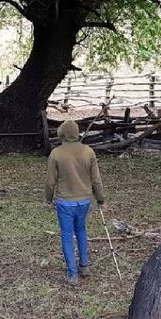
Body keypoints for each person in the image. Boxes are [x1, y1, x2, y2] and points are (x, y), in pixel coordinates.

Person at [45, 119, 105, 286]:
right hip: (84, 200)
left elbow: (50, 181)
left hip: (65, 202)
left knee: (66, 235)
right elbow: (96, 179)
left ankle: (72, 274)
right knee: (81, 230)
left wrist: (48, 199)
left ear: (62, 134)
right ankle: (84, 266)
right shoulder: (88, 152)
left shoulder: (56, 153)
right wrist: (100, 199)